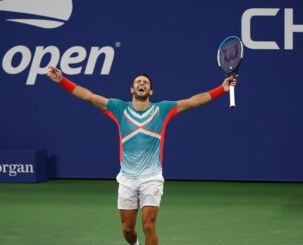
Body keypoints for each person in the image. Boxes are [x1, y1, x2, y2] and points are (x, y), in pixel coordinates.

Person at [47, 65, 237, 245]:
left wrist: (221, 89)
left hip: (152, 178)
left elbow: (193, 101)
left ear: (150, 91)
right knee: (127, 230)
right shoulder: (118, 108)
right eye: (138, 82)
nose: (142, 84)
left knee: (148, 225)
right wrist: (62, 80)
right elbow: (89, 96)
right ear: (132, 89)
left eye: (145, 82)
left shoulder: (162, 109)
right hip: (127, 179)